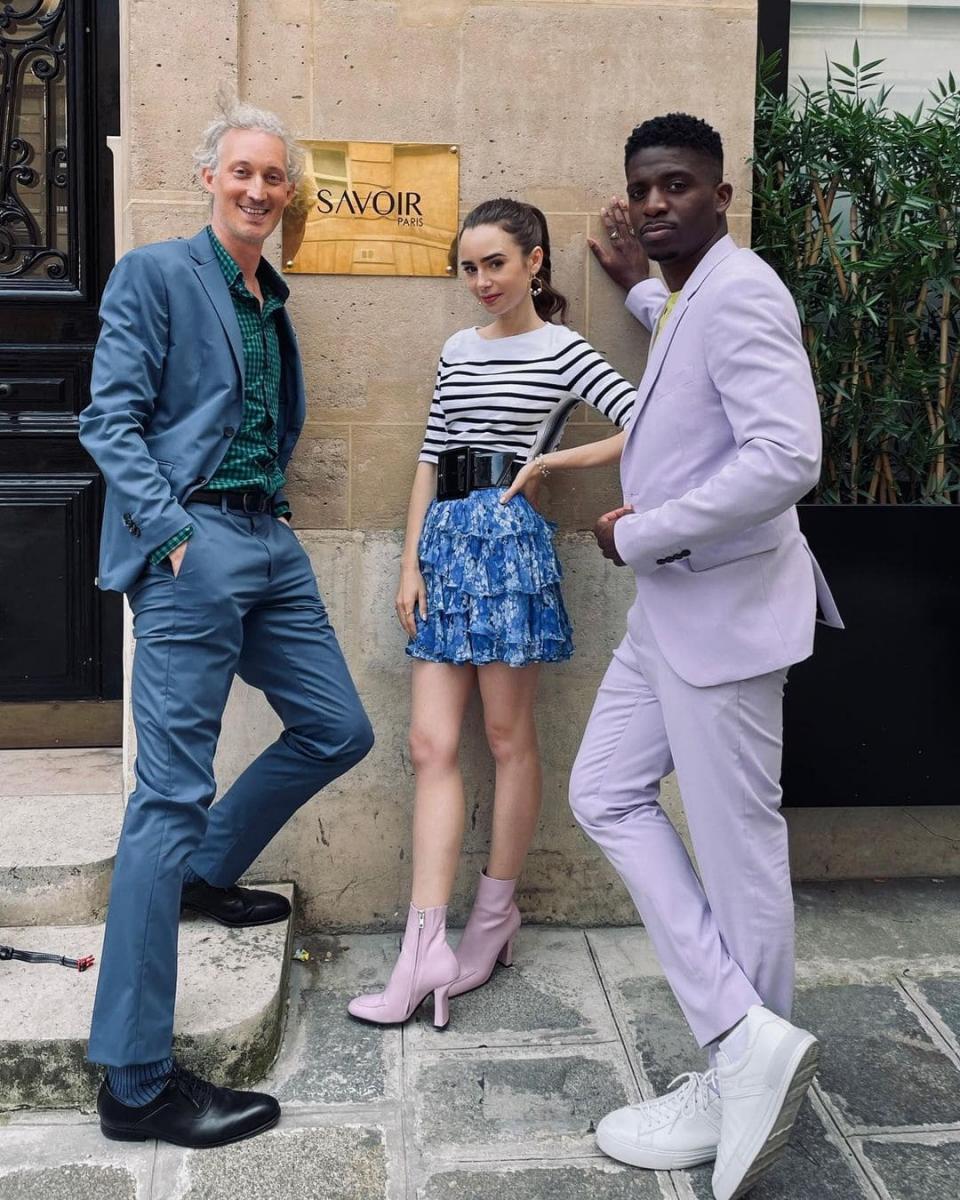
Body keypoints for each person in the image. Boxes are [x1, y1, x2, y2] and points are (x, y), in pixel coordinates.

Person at [79, 102, 373, 1148]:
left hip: (266, 539)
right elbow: (108, 418)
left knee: (338, 728)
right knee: (168, 796)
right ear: (209, 177)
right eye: (242, 171)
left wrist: (270, 519)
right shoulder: (156, 274)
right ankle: (134, 1082)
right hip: (193, 544)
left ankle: (207, 871)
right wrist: (171, 534)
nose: (258, 189)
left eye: (274, 176)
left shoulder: (270, 296)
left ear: (289, 192)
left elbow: (258, 418)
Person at [571, 114, 843, 1200]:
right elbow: (684, 339)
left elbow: (788, 456)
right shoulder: (691, 293)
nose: (655, 204)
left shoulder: (742, 291)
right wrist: (637, 285)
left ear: (722, 196)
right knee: (604, 790)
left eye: (678, 187)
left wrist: (645, 530)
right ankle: (744, 1037)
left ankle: (746, 1076)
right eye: (642, 188)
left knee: (739, 856)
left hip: (721, 615)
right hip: (672, 615)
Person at [347, 199, 636, 1027]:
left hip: (509, 549)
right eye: (469, 267)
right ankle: (422, 948)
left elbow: (650, 418)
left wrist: (551, 464)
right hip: (444, 548)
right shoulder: (456, 349)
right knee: (429, 743)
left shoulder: (562, 349)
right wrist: (409, 562)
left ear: (535, 262)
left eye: (496, 264)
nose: (482, 281)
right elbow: (429, 457)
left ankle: (495, 914)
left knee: (508, 740)